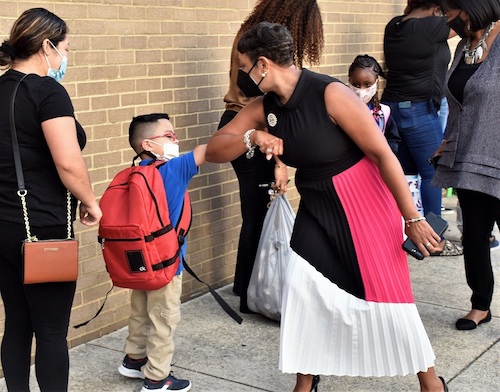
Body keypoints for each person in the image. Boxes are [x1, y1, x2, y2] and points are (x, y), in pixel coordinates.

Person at [206, 22, 448, 392]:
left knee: (387, 294)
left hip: (363, 200)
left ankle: (430, 382)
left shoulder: (330, 93)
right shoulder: (263, 107)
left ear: (264, 64)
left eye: (244, 65)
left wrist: (411, 217)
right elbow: (216, 149)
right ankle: (306, 381)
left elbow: (382, 154)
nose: (241, 73)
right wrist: (252, 135)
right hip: (318, 204)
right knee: (304, 290)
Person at [0, 8, 102, 391]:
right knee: (50, 330)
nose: (64, 56)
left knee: (17, 323)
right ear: (46, 46)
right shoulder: (46, 91)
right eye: (64, 47)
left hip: (3, 224)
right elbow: (68, 163)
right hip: (41, 226)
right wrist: (91, 202)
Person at [218, 0, 324, 313]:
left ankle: (246, 287)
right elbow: (268, 106)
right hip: (254, 131)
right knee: (260, 216)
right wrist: (279, 164)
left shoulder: (248, 35)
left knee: (255, 215)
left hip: (241, 125)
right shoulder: (263, 52)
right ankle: (254, 294)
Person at [117, 113, 206, 392]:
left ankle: (133, 360)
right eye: (168, 136)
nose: (175, 139)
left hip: (139, 262)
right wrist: (251, 135)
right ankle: (157, 378)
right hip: (167, 264)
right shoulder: (174, 170)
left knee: (141, 312)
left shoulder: (132, 174)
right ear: (149, 145)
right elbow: (209, 150)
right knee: (163, 321)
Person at [431, 0, 500, 330]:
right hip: (468, 157)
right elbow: (458, 104)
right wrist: (447, 141)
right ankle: (480, 305)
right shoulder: (463, 46)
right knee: (474, 235)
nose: (449, 19)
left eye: (453, 11)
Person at [382, 0, 462, 256]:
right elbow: (468, 19)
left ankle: (397, 231)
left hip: (392, 108)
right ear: (436, 7)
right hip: (417, 111)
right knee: (432, 175)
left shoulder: (393, 25)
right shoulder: (430, 26)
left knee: (403, 173)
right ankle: (433, 241)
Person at [347, 54, 400, 154]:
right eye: (356, 85)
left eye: (367, 84)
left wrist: (385, 152)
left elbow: (393, 139)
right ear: (349, 81)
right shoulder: (341, 111)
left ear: (376, 82)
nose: (361, 90)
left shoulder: (384, 112)